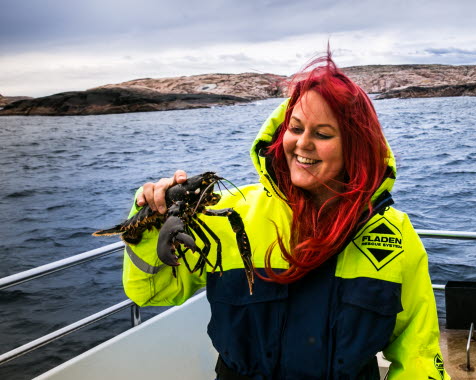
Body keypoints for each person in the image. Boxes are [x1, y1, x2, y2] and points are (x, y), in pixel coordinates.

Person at [122, 53, 448, 380]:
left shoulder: (394, 236)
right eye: (295, 128)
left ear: (355, 146)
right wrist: (150, 217)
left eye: (323, 134)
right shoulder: (230, 211)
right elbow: (152, 292)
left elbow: (418, 355)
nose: (302, 144)